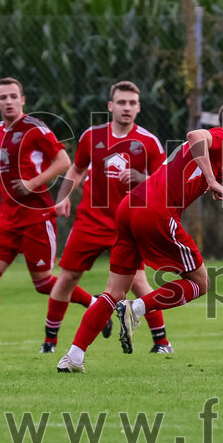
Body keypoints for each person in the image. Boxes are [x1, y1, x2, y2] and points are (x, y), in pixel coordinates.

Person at [56, 99, 223, 372]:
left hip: (130, 206)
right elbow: (195, 135)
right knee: (200, 282)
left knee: (113, 291)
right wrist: (210, 179)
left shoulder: (222, 160)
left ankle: (73, 356)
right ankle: (135, 309)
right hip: (156, 210)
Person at [44, 81, 173, 354]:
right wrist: (63, 196)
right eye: (121, 102)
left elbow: (165, 184)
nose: (126, 107)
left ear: (138, 108)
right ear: (110, 106)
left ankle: (161, 343)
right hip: (90, 220)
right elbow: (77, 169)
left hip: (128, 225)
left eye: (132, 103)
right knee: (66, 278)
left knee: (138, 282)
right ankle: (49, 343)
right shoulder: (92, 136)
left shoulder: (148, 142)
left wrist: (142, 178)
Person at [0, 78, 76, 351]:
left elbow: (63, 161)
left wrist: (32, 183)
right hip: (7, 218)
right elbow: (4, 163)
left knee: (44, 284)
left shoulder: (35, 127)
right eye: (3, 97)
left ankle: (94, 304)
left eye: (13, 96)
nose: (8, 101)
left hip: (35, 216)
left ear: (23, 100)